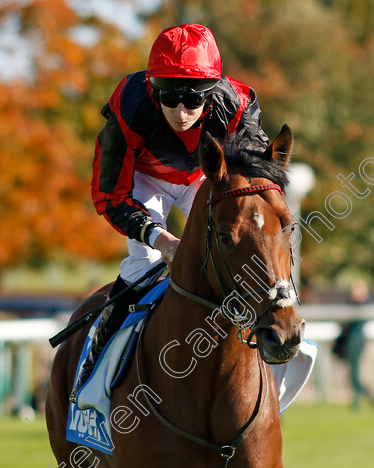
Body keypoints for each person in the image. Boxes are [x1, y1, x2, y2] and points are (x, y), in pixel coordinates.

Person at [69, 24, 270, 403]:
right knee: (142, 264)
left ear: (212, 93)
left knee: (247, 248)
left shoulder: (237, 104)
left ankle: (276, 344)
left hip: (202, 177)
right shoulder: (129, 104)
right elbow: (110, 195)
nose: (181, 111)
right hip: (144, 182)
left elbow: (259, 180)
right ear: (151, 86)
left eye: (193, 100)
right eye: (169, 96)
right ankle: (95, 374)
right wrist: (161, 239)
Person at [332, 281, 374, 410]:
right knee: (353, 375)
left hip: (356, 344)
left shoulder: (361, 307)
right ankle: (359, 400)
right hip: (351, 343)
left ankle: (366, 399)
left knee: (354, 375)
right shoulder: (352, 305)